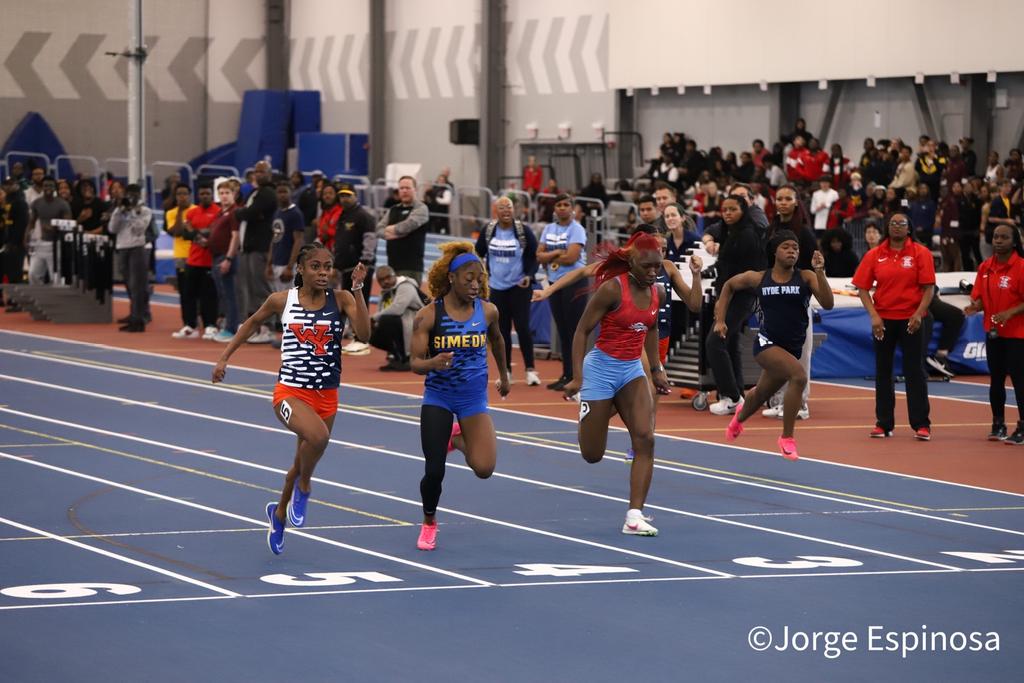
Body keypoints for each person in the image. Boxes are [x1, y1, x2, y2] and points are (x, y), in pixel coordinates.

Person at [212, 243, 370, 554]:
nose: (323, 272)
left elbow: (364, 334)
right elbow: (251, 323)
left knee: (302, 459)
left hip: (327, 394)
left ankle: (279, 513)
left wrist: (358, 289)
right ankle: (305, 487)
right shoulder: (282, 300)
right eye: (315, 266)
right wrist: (224, 358)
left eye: (327, 267)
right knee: (318, 437)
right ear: (301, 269)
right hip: (290, 392)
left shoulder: (341, 299)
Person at [560, 232, 668, 535]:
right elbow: (581, 331)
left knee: (646, 438)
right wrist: (577, 376)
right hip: (601, 370)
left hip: (632, 371)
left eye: (657, 266)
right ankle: (594, 412)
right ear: (632, 263)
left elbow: (651, 327)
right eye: (647, 267)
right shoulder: (612, 289)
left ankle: (634, 516)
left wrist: (656, 369)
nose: (653, 272)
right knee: (592, 454)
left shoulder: (658, 292)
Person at [409, 242, 510, 551]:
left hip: (473, 399)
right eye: (469, 279)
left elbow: (498, 341)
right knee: (434, 470)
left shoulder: (488, 311)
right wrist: (433, 363)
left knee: (484, 468)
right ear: (451, 278)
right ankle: (429, 522)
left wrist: (505, 375)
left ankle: (457, 437)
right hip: (439, 397)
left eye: (479, 279)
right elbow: (414, 363)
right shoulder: (429, 316)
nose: (475, 285)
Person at [717, 231, 834, 460]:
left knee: (761, 394)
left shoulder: (806, 277)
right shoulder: (759, 278)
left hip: (791, 348)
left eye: (795, 248)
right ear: (774, 251)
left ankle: (738, 419)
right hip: (766, 343)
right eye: (786, 247)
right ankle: (786, 438)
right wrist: (721, 320)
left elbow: (828, 304)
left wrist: (820, 271)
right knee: (798, 377)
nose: (792, 251)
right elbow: (729, 286)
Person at [852, 212, 935, 440]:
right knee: (883, 371)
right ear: (887, 227)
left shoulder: (921, 252)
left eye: (901, 223)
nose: (897, 226)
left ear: (909, 228)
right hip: (884, 321)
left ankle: (922, 424)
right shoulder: (874, 254)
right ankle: (884, 423)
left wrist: (918, 314)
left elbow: (929, 288)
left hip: (912, 320)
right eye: (893, 223)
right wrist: (874, 316)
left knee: (914, 371)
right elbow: (862, 288)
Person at [704, 195, 767, 415]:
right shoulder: (729, 231)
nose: (728, 213)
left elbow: (737, 271)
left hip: (740, 295)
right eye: (725, 210)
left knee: (714, 342)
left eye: (733, 209)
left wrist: (722, 301)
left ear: (743, 210)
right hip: (730, 294)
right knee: (729, 343)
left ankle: (731, 396)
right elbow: (713, 234)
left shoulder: (747, 234)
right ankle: (736, 393)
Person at [964, 224, 1024, 444]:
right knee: (996, 379)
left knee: (1019, 380)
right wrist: (975, 306)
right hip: (994, 332)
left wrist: (1010, 313)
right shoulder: (985, 267)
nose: (998, 240)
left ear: (1014, 242)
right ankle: (998, 424)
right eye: (996, 237)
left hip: (1018, 334)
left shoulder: (1021, 267)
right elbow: (980, 297)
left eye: (1004, 237)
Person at [475, 196, 540, 385]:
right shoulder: (489, 231)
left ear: (514, 210)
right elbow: (478, 253)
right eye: (502, 207)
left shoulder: (523, 231)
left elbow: (535, 256)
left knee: (522, 327)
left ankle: (530, 370)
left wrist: (529, 275)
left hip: (519, 287)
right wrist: (481, 275)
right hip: (496, 288)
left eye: (509, 207)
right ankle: (506, 372)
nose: (506, 211)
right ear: (496, 210)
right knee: (501, 331)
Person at [536, 193, 588, 391]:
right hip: (554, 282)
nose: (563, 208)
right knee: (563, 331)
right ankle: (566, 374)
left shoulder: (577, 229)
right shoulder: (548, 228)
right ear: (554, 208)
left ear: (572, 209)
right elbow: (539, 256)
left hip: (574, 283)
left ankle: (577, 376)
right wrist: (557, 253)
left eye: (566, 204)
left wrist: (549, 256)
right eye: (559, 205)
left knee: (574, 330)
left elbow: (571, 258)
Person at [107, 184, 152, 332]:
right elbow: (112, 229)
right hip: (122, 247)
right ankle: (135, 315)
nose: (132, 197)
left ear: (139, 195)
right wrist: (119, 211)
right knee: (129, 284)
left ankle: (139, 320)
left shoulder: (145, 211)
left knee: (137, 285)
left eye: (135, 194)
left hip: (137, 248)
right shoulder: (120, 209)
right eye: (130, 194)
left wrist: (133, 213)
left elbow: (139, 229)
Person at [369, 265, 425, 370]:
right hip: (403, 323)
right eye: (381, 280)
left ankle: (406, 358)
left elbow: (397, 309)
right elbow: (380, 312)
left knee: (387, 320)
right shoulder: (385, 293)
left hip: (417, 323)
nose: (385, 281)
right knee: (370, 330)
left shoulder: (406, 286)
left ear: (394, 275)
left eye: (388, 277)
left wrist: (373, 318)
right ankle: (395, 356)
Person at [377, 175, 429, 283]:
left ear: (415, 190)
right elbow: (379, 230)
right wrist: (397, 233)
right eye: (401, 188)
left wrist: (389, 229)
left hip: (412, 267)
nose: (404, 191)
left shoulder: (421, 208)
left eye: (408, 188)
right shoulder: (393, 209)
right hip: (392, 266)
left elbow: (404, 227)